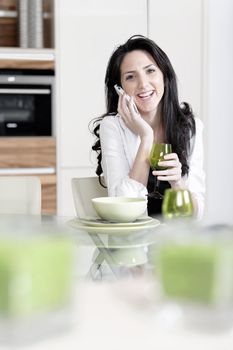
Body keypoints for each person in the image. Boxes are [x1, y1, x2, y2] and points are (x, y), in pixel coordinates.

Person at [91, 35, 205, 219]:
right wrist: (146, 136)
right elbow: (123, 210)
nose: (143, 84)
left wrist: (178, 182)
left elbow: (195, 216)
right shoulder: (112, 127)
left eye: (150, 71)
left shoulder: (190, 126)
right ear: (120, 88)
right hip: (132, 243)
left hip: (175, 242)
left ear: (164, 75)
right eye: (130, 77)